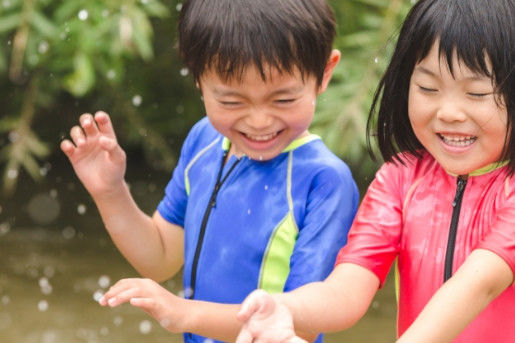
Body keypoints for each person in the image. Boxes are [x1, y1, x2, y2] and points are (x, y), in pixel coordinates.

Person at [60, 0, 359, 342]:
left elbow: (300, 325)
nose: (259, 121)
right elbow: (159, 258)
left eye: (283, 100)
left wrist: (184, 313)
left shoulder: (323, 182)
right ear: (198, 78)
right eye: (232, 102)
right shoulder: (205, 140)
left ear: (325, 72)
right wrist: (110, 192)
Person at [234, 0, 515, 342]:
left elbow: (480, 285)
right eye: (428, 88)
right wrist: (286, 308)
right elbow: (348, 290)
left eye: (476, 92)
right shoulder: (399, 180)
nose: (449, 112)